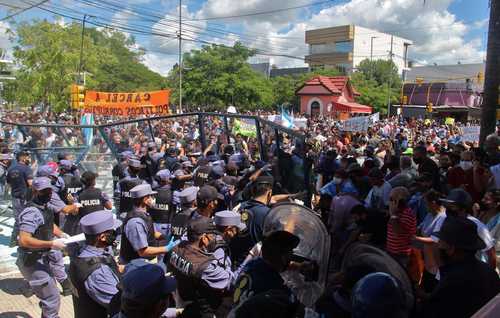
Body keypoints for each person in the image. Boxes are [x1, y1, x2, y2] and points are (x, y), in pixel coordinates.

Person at [420, 217, 500, 318]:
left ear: (451, 249)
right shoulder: (490, 272)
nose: (437, 246)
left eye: (440, 242)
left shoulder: (451, 281)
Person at [16, 177, 68, 318]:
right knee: (52, 297)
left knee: (51, 296)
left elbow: (48, 224)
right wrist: (51, 243)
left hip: (41, 258)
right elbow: (24, 240)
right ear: (35, 192)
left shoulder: (45, 207)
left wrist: (61, 233)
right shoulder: (31, 212)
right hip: (32, 260)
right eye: (44, 191)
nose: (48, 193)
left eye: (49, 190)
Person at [168, 217, 236, 317]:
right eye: (213, 235)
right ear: (204, 238)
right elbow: (230, 281)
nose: (215, 238)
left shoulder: (176, 248)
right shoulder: (206, 267)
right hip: (201, 310)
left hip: (181, 299)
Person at [232, 231, 308, 310]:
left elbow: (276, 264)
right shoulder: (276, 286)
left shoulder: (253, 264)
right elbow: (297, 308)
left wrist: (299, 267)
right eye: (290, 251)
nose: (292, 255)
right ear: (282, 257)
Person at [69, 210, 122, 318]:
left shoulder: (80, 253)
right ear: (102, 237)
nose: (115, 234)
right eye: (112, 232)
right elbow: (122, 305)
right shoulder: (98, 272)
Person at [119, 184, 178, 264]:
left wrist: (166, 237)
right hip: (134, 266)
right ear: (145, 199)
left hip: (143, 262)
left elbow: (151, 233)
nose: (153, 199)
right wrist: (166, 248)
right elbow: (143, 251)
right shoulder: (136, 222)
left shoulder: (145, 214)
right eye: (151, 196)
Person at [439, 188, 497, 269]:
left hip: (471, 273)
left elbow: (491, 254)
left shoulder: (477, 226)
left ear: (463, 209)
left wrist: (490, 276)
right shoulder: (446, 221)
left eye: (452, 207)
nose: (448, 209)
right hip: (450, 272)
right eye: (447, 206)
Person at [65, 171, 112, 236]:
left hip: (85, 228)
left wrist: (71, 202)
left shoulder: (77, 195)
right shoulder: (100, 192)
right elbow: (109, 207)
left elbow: (75, 212)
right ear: (93, 181)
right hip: (99, 225)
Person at [386, 187, 416, 267]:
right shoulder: (397, 212)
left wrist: (393, 215)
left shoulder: (408, 214)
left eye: (392, 199)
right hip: (392, 252)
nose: (390, 202)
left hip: (401, 255)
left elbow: (397, 231)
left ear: (399, 201)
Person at [7, 150, 33, 244]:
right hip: (25, 197)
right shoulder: (26, 169)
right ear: (22, 158)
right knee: (27, 218)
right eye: (27, 156)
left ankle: (13, 240)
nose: (29, 158)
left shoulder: (10, 169)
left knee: (18, 218)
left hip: (15, 196)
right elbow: (31, 184)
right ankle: (26, 239)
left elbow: (9, 184)